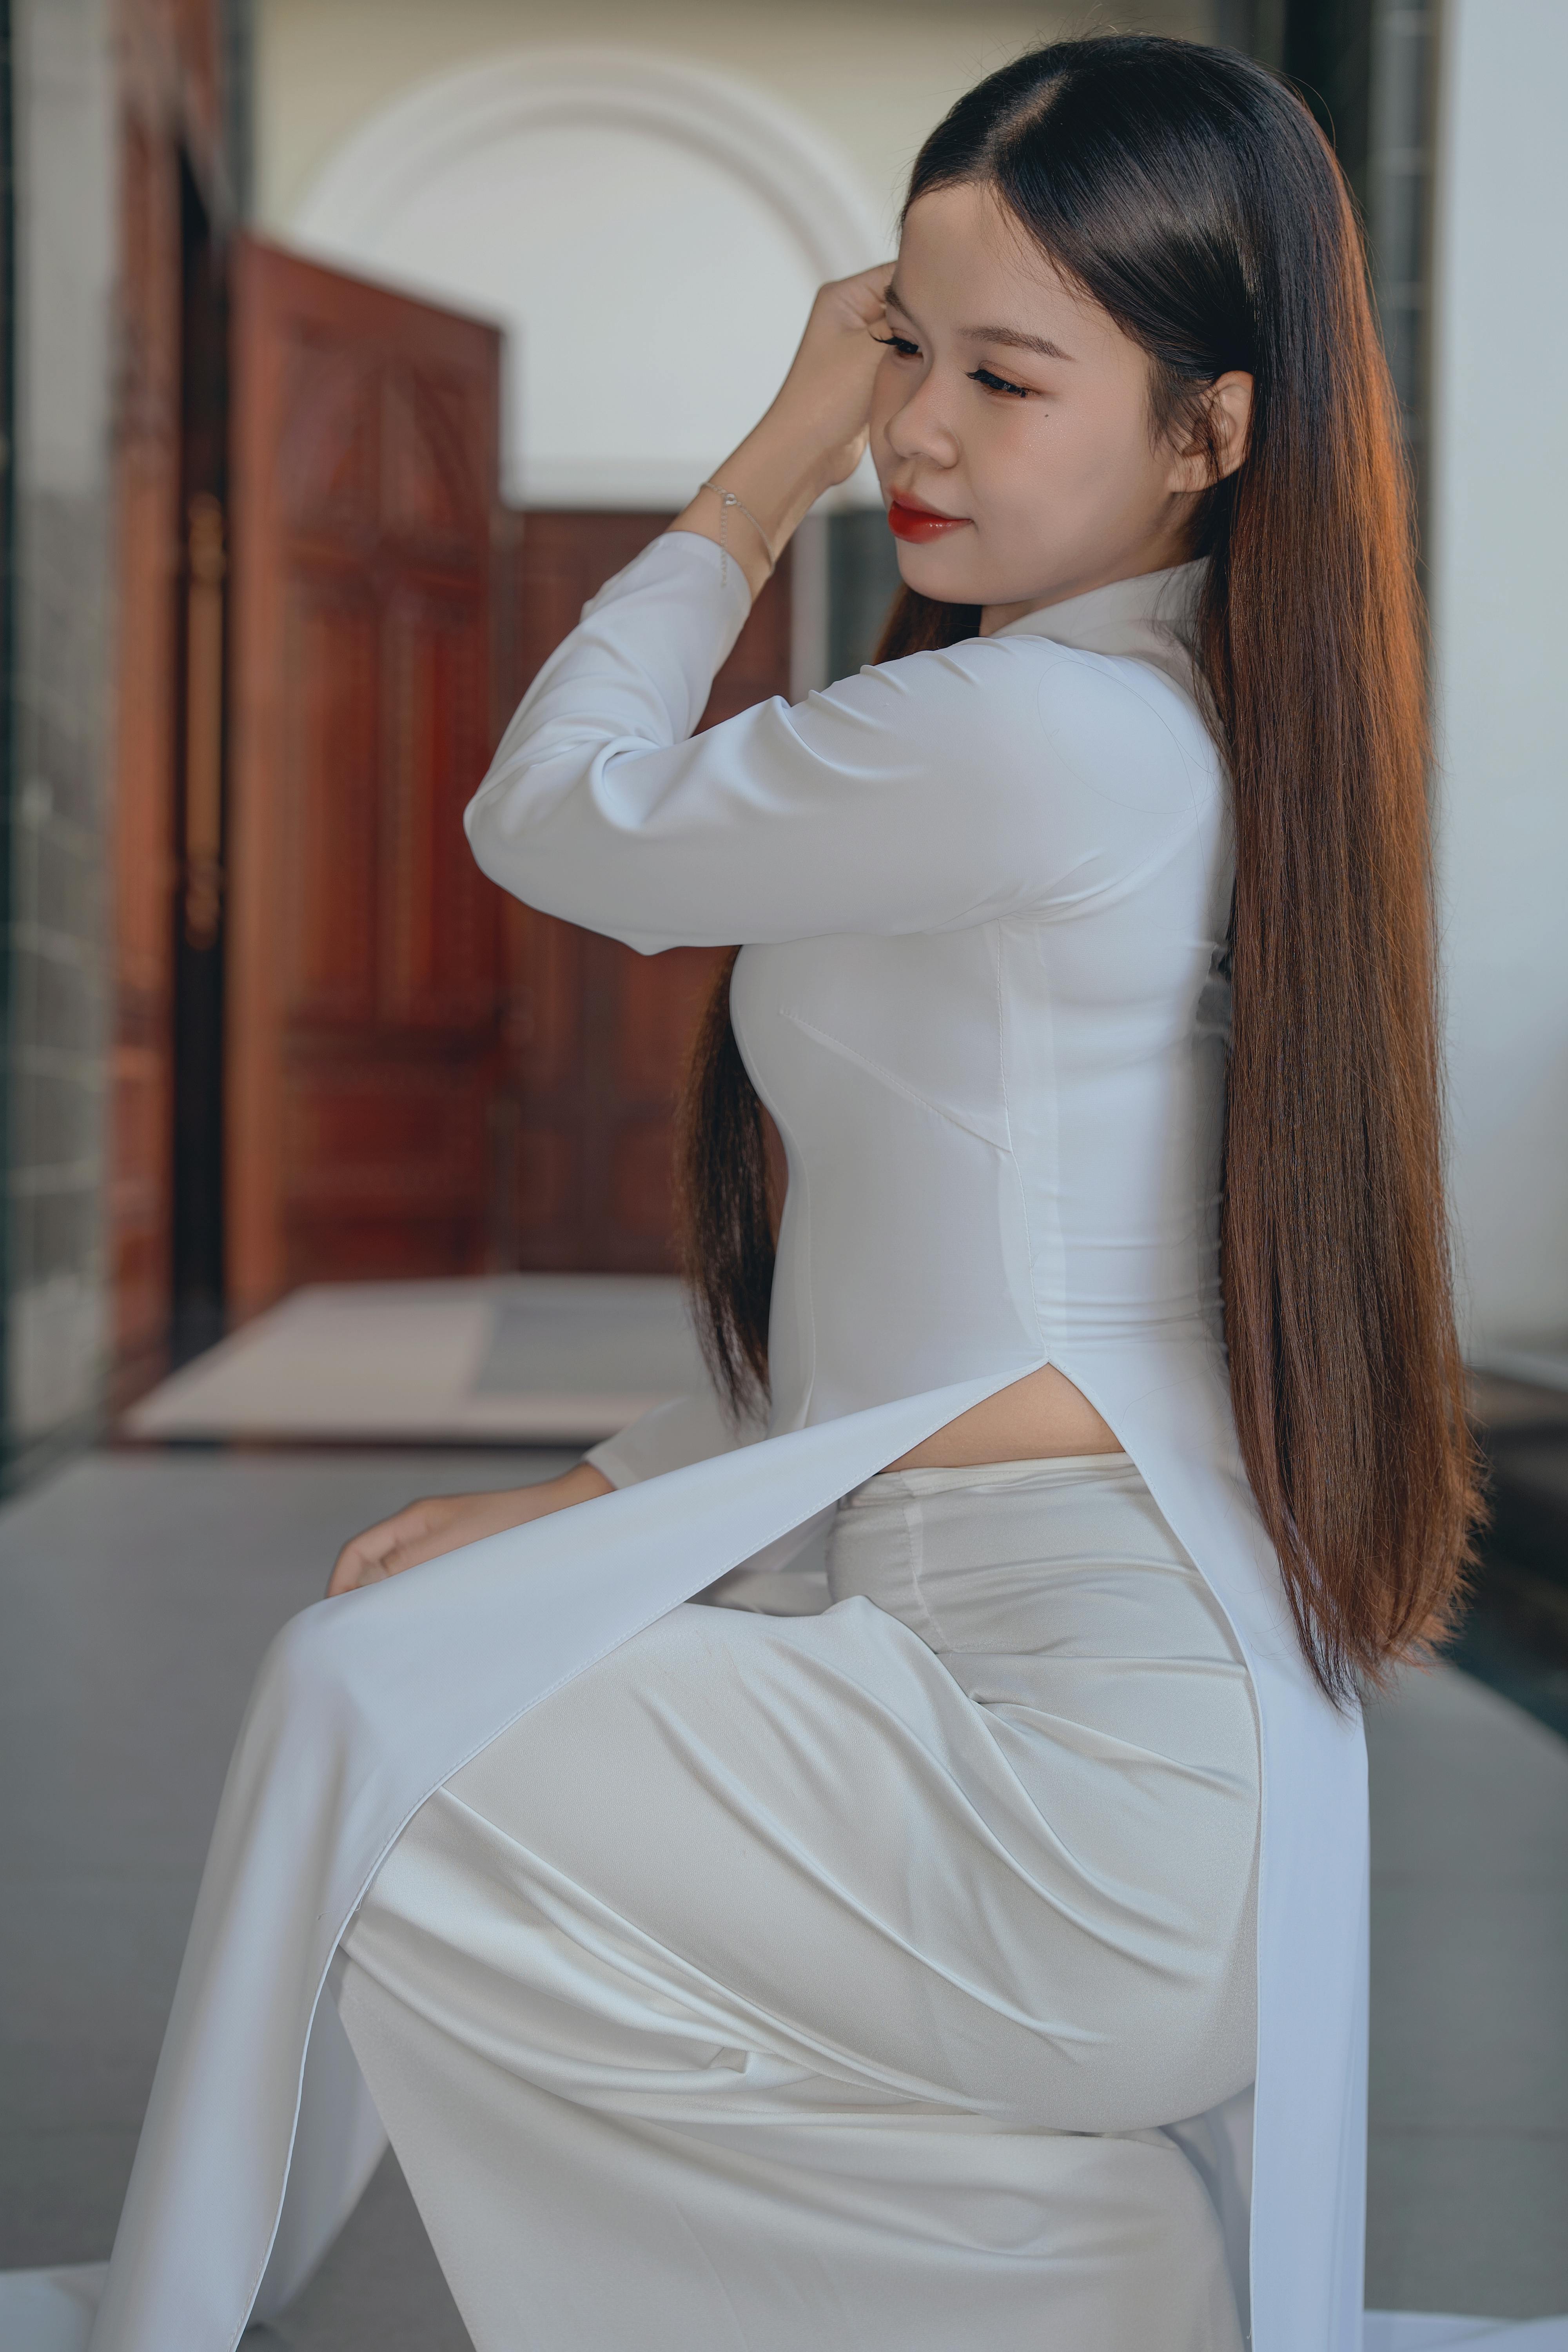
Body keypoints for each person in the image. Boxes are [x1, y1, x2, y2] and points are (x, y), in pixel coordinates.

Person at [18, 31, 1555, 2352]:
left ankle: (1047, 2275)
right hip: (1056, 1727)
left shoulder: (1050, 734)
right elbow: (946, 1307)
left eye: (1002, 378)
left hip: (1085, 1788)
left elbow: (553, 819)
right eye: (900, 350)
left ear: (1209, 429)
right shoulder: (1152, 716)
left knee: (382, 1720)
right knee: (399, 1709)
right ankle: (1065, 2266)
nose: (914, 430)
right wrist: (588, 1497)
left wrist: (760, 478)